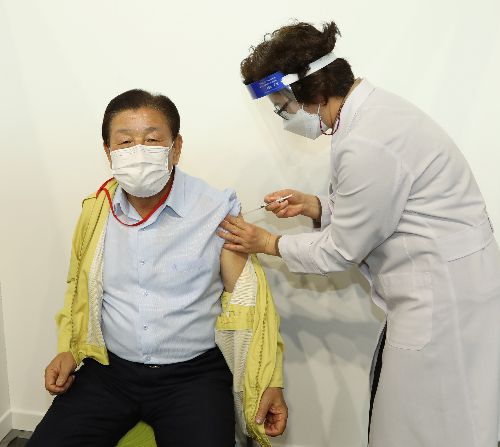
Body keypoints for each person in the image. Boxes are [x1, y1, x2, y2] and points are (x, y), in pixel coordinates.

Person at [218, 21, 500, 447]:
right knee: (427, 423)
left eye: (282, 105)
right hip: (450, 290)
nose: (283, 117)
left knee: (426, 428)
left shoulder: (368, 140)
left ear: (311, 92)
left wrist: (268, 242)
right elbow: (389, 205)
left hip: (446, 304)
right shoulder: (374, 116)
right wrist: (317, 206)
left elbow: (341, 250)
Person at [28, 89, 287, 447]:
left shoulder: (216, 210)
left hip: (193, 378)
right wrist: (69, 348)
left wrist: (270, 380)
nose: (138, 152)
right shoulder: (97, 211)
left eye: (152, 140)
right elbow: (78, 289)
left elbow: (252, 304)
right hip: (109, 372)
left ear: (176, 147)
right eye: (125, 142)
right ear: (108, 151)